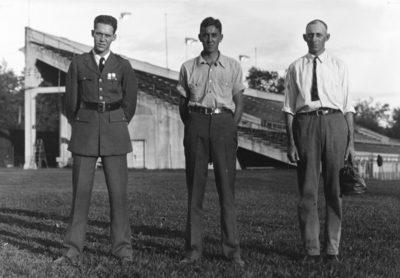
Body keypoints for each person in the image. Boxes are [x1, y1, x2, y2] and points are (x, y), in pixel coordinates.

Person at [54, 15, 138, 265]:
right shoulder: (78, 63)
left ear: (114, 36)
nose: (102, 38)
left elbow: (129, 103)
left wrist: (117, 121)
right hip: (86, 130)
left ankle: (122, 249)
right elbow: (70, 102)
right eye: (99, 33)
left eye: (107, 34)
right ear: (92, 33)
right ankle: (72, 249)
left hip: (114, 130)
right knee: (80, 193)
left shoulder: (123, 65)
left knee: (118, 194)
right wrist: (81, 122)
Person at [283, 19, 355, 262]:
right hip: (306, 124)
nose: (314, 39)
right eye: (310, 35)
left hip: (335, 123)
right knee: (308, 190)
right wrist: (291, 141)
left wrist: (351, 142)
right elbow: (289, 108)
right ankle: (311, 249)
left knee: (334, 189)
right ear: (305, 38)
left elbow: (348, 107)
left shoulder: (339, 65)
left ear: (327, 37)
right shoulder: (295, 67)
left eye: (319, 35)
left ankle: (332, 249)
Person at [177, 17, 245, 267]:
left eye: (214, 35)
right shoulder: (188, 67)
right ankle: (193, 251)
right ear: (199, 36)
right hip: (196, 123)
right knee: (195, 192)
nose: (209, 39)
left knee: (226, 192)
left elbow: (239, 103)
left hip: (224, 124)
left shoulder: (233, 66)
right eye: (205, 35)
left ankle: (232, 252)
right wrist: (195, 124)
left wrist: (229, 126)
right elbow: (183, 106)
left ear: (221, 37)